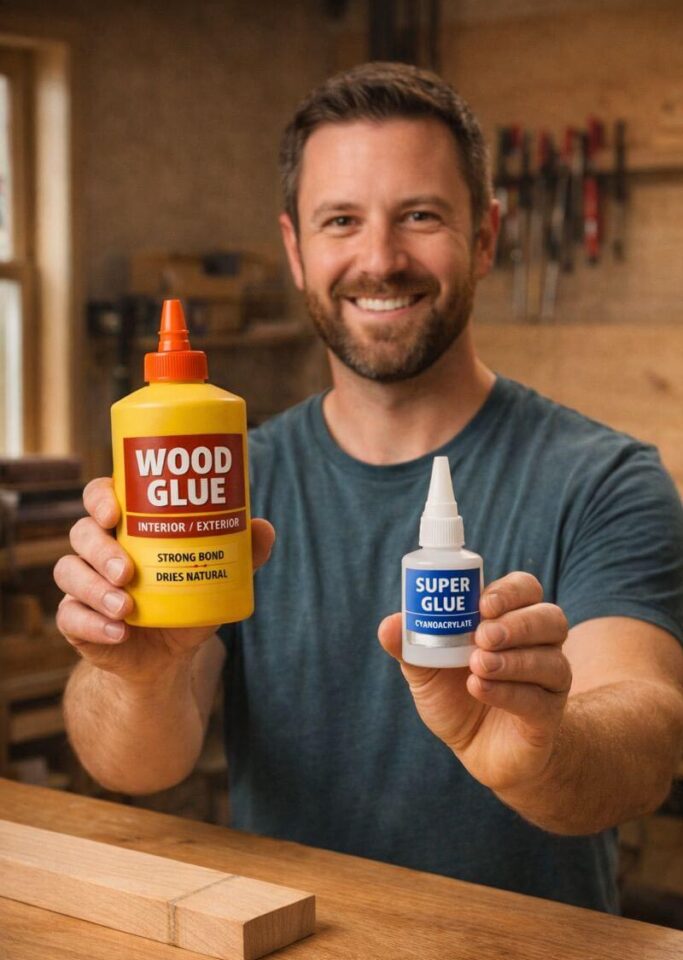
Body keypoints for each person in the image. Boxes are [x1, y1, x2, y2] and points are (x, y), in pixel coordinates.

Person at [55, 63, 683, 913]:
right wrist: (137, 674)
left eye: (419, 216)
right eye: (340, 220)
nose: (379, 260)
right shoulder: (231, 483)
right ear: (294, 249)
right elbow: (137, 765)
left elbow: (645, 737)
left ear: (488, 235)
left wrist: (543, 750)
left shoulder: (604, 477)